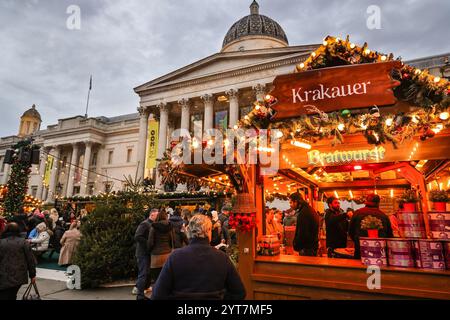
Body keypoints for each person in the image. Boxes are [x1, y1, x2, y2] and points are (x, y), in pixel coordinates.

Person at [151, 215, 246, 300]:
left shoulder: (175, 257)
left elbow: (158, 294)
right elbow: (239, 292)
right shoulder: (221, 257)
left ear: (189, 232)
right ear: (209, 231)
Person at [349, 194, 394, 259]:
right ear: (378, 203)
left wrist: (357, 241)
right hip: (379, 252)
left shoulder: (357, 213)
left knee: (359, 268)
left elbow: (351, 231)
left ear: (366, 201)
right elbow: (389, 235)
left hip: (360, 250)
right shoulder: (383, 215)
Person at [0, 223, 37, 300]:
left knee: (6, 294)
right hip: (19, 275)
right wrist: (32, 275)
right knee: (12, 294)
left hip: (3, 274)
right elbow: (30, 260)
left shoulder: (1, 242)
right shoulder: (24, 242)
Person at [133, 208, 158, 300]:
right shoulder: (144, 224)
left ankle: (144, 288)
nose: (158, 217)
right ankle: (139, 294)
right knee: (143, 273)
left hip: (147, 252)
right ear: (151, 215)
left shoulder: (152, 224)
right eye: (156, 215)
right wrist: (148, 243)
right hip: (142, 253)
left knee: (147, 272)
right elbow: (137, 236)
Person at [147, 210, 174, 288]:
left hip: (156, 256)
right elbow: (171, 240)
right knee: (167, 278)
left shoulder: (153, 226)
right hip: (167, 254)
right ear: (165, 217)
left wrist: (149, 250)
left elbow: (150, 242)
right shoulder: (170, 226)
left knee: (156, 280)